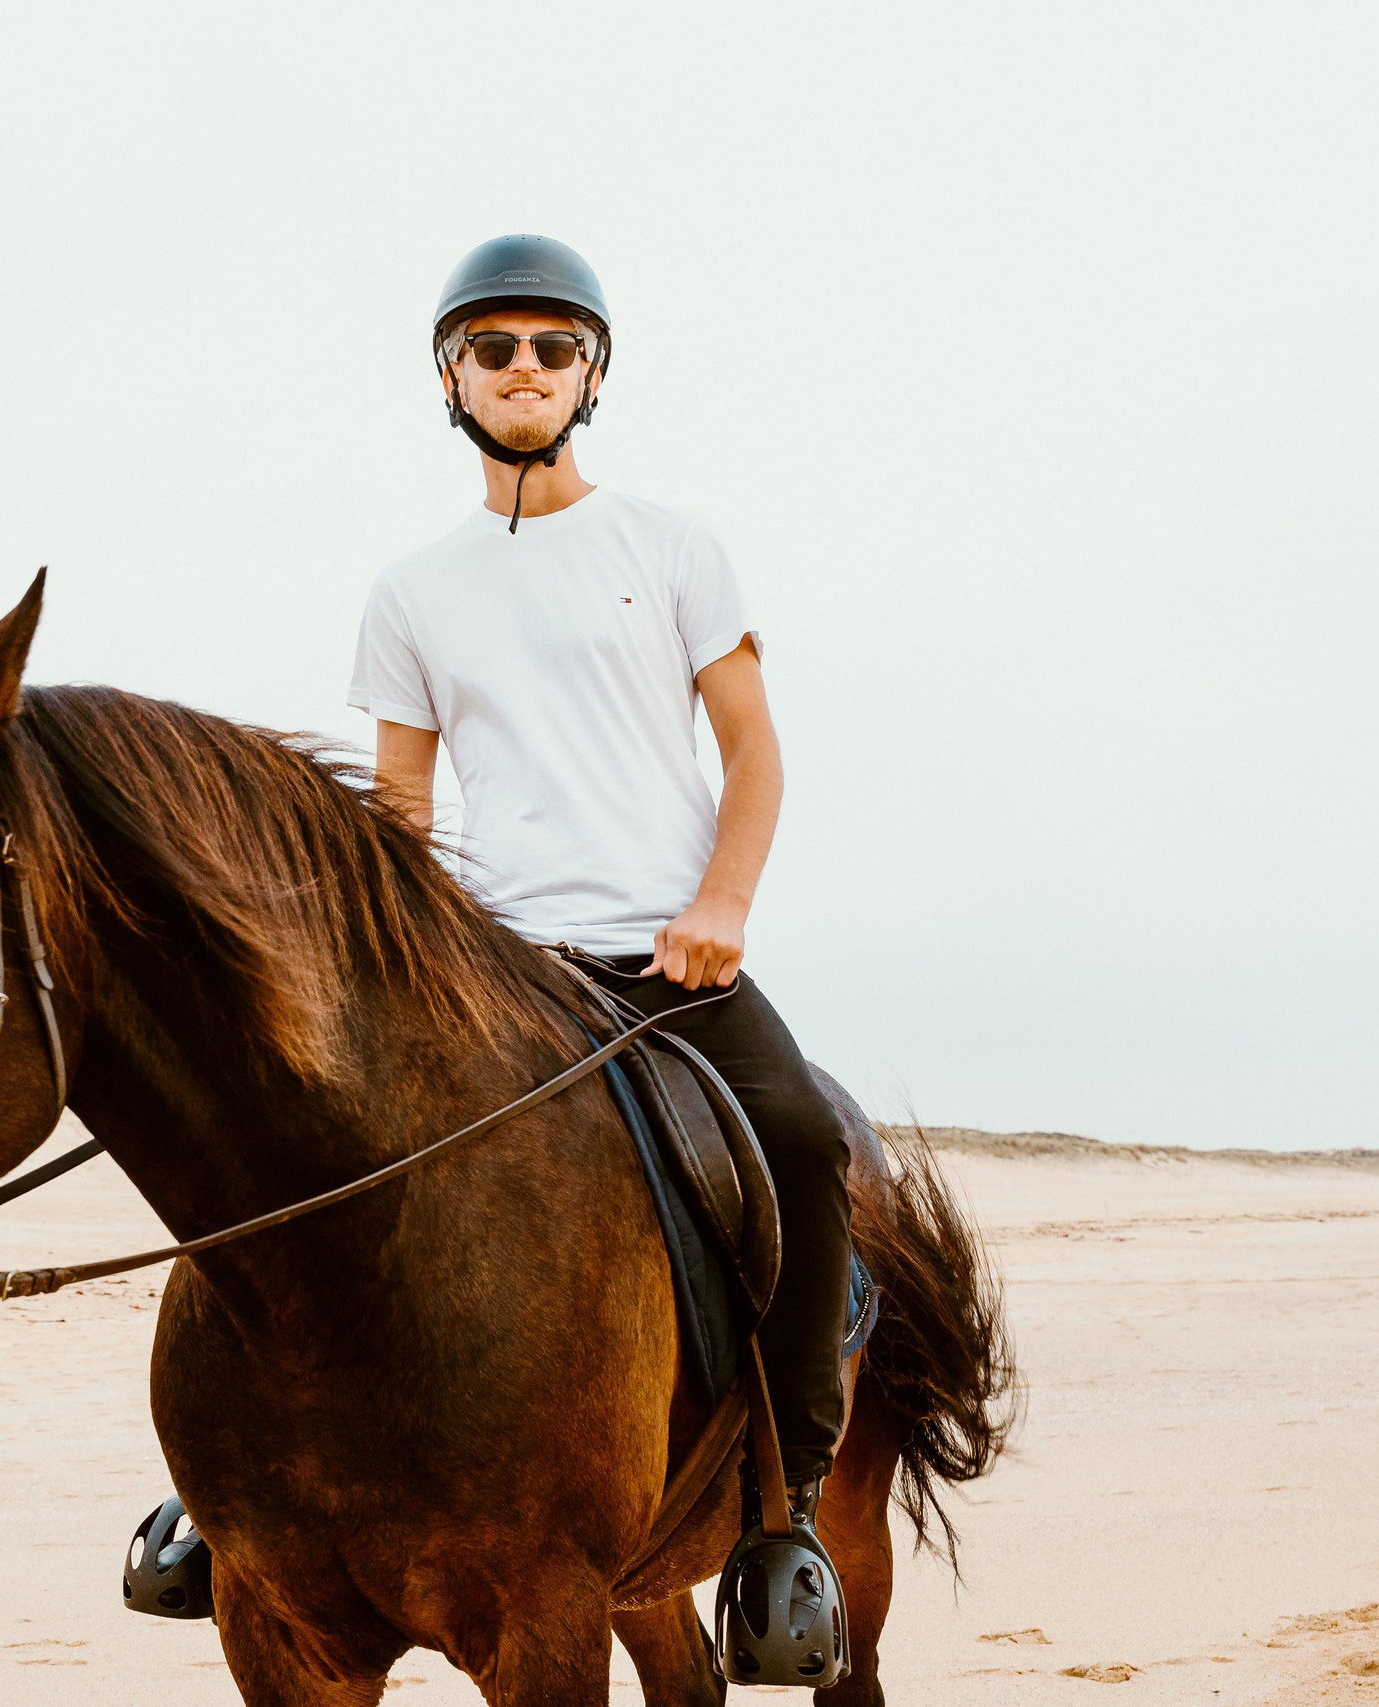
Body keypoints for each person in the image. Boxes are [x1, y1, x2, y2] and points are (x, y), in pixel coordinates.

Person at [347, 234, 857, 1616]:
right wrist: (413, 960)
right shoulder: (410, 590)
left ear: (591, 377)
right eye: (494, 346)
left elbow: (755, 755)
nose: (525, 367)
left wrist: (722, 908)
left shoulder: (673, 547)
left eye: (553, 347)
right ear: (450, 377)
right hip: (495, 974)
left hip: (669, 956)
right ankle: (242, 1488)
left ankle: (787, 1508)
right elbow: (403, 807)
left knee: (806, 1150)